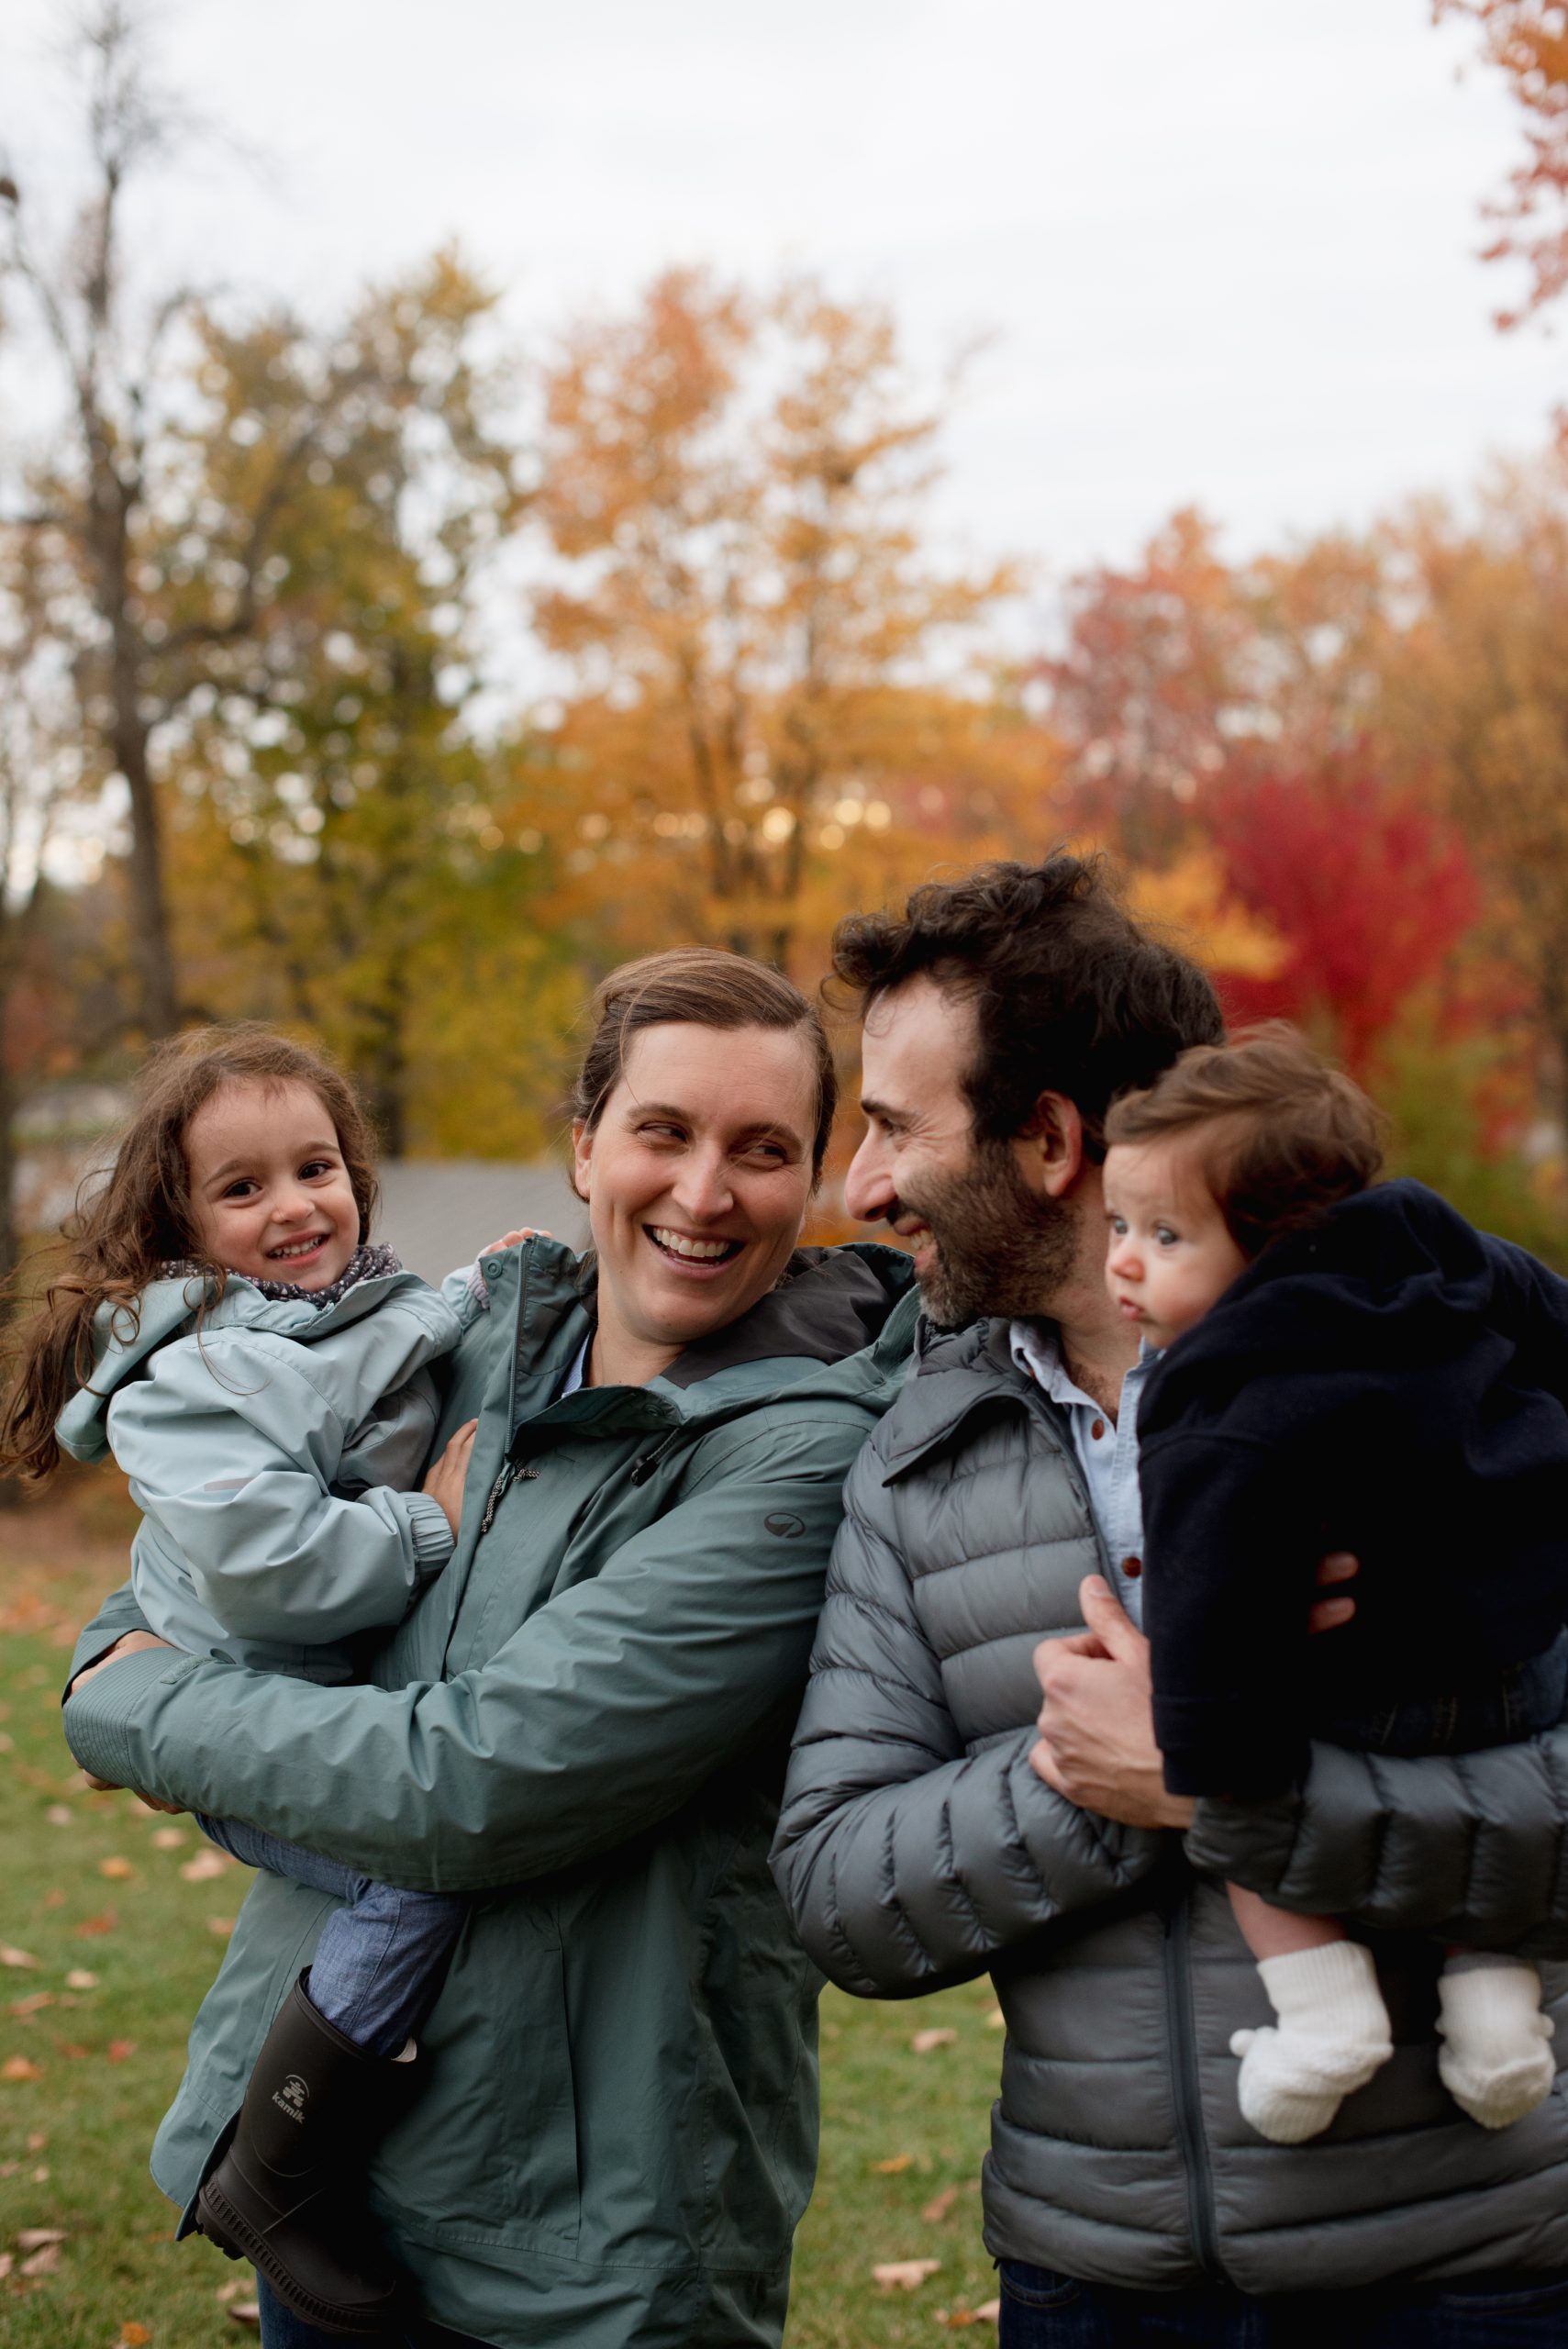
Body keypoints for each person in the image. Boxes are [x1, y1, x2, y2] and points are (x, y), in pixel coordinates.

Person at [61, 947, 919, 2349]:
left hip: (579, 2236)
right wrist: (135, 1652)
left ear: (809, 1178)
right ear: (583, 1147)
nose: (705, 1192)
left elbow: (473, 1781)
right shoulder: (461, 1352)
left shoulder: (802, 1458)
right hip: (329, 2159)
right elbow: (198, 1569)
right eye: (662, 1131)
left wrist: (131, 1706)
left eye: (762, 1150)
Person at [772, 853, 1568, 2347]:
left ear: (1047, 1140)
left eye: (892, 1128)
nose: (859, 1187)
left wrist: (1205, 1779)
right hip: (1096, 2285)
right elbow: (836, 1892)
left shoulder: (1457, 1390)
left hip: (1465, 2275)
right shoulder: (919, 1458)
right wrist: (1089, 1778)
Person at [1, 1027, 495, 2332]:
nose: (293, 1207)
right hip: (237, 1721)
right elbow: (272, 1566)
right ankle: (276, 2164)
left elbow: (392, 1345)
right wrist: (426, 1527)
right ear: (184, 1227)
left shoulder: (319, 1318)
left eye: (315, 1168)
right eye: (243, 1187)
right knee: (412, 1871)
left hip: (307, 1709)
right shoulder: (200, 1369)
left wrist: (486, 1285)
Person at [1102, 1025, 1566, 2145]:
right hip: (1513, 1673)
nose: (1121, 1260)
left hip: (1357, 1691)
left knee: (1245, 1803)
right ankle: (1496, 2012)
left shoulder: (1221, 1402)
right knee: (1470, 1801)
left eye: (1164, 1235)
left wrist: (1197, 1755)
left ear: (1272, 1245)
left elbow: (1205, 1603)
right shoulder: (1440, 1260)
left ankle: (1320, 2010)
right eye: (1118, 1225)